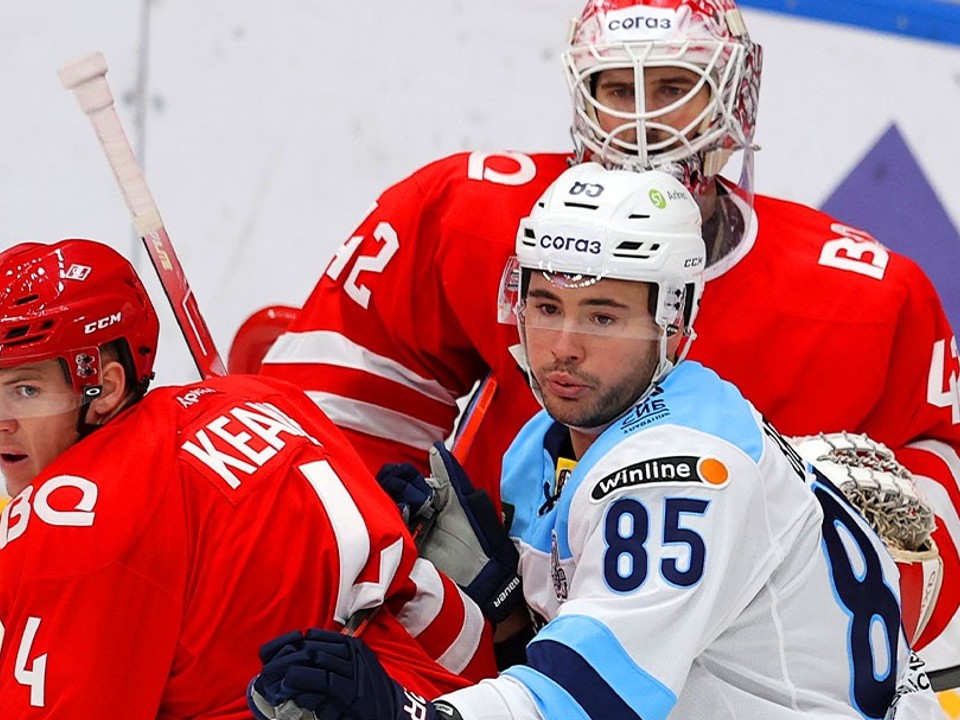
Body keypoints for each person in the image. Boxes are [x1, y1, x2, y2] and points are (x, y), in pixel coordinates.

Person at [246, 0, 960, 677]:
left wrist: (822, 595)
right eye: (618, 88)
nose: (645, 124)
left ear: (734, 98)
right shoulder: (463, 217)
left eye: (676, 85)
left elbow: (931, 528)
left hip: (733, 669)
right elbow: (324, 423)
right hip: (494, 619)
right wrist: (389, 550)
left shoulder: (865, 298)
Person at [246, 164, 944, 720]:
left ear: (675, 323)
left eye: (603, 316)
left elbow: (588, 698)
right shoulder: (547, 443)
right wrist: (472, 594)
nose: (564, 348)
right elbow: (541, 643)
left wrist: (407, 713)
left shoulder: (683, 469)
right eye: (546, 308)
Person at [0, 239, 494, 718]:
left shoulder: (70, 516)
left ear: (105, 388)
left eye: (25, 389)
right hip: (444, 694)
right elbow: (427, 619)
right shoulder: (267, 398)